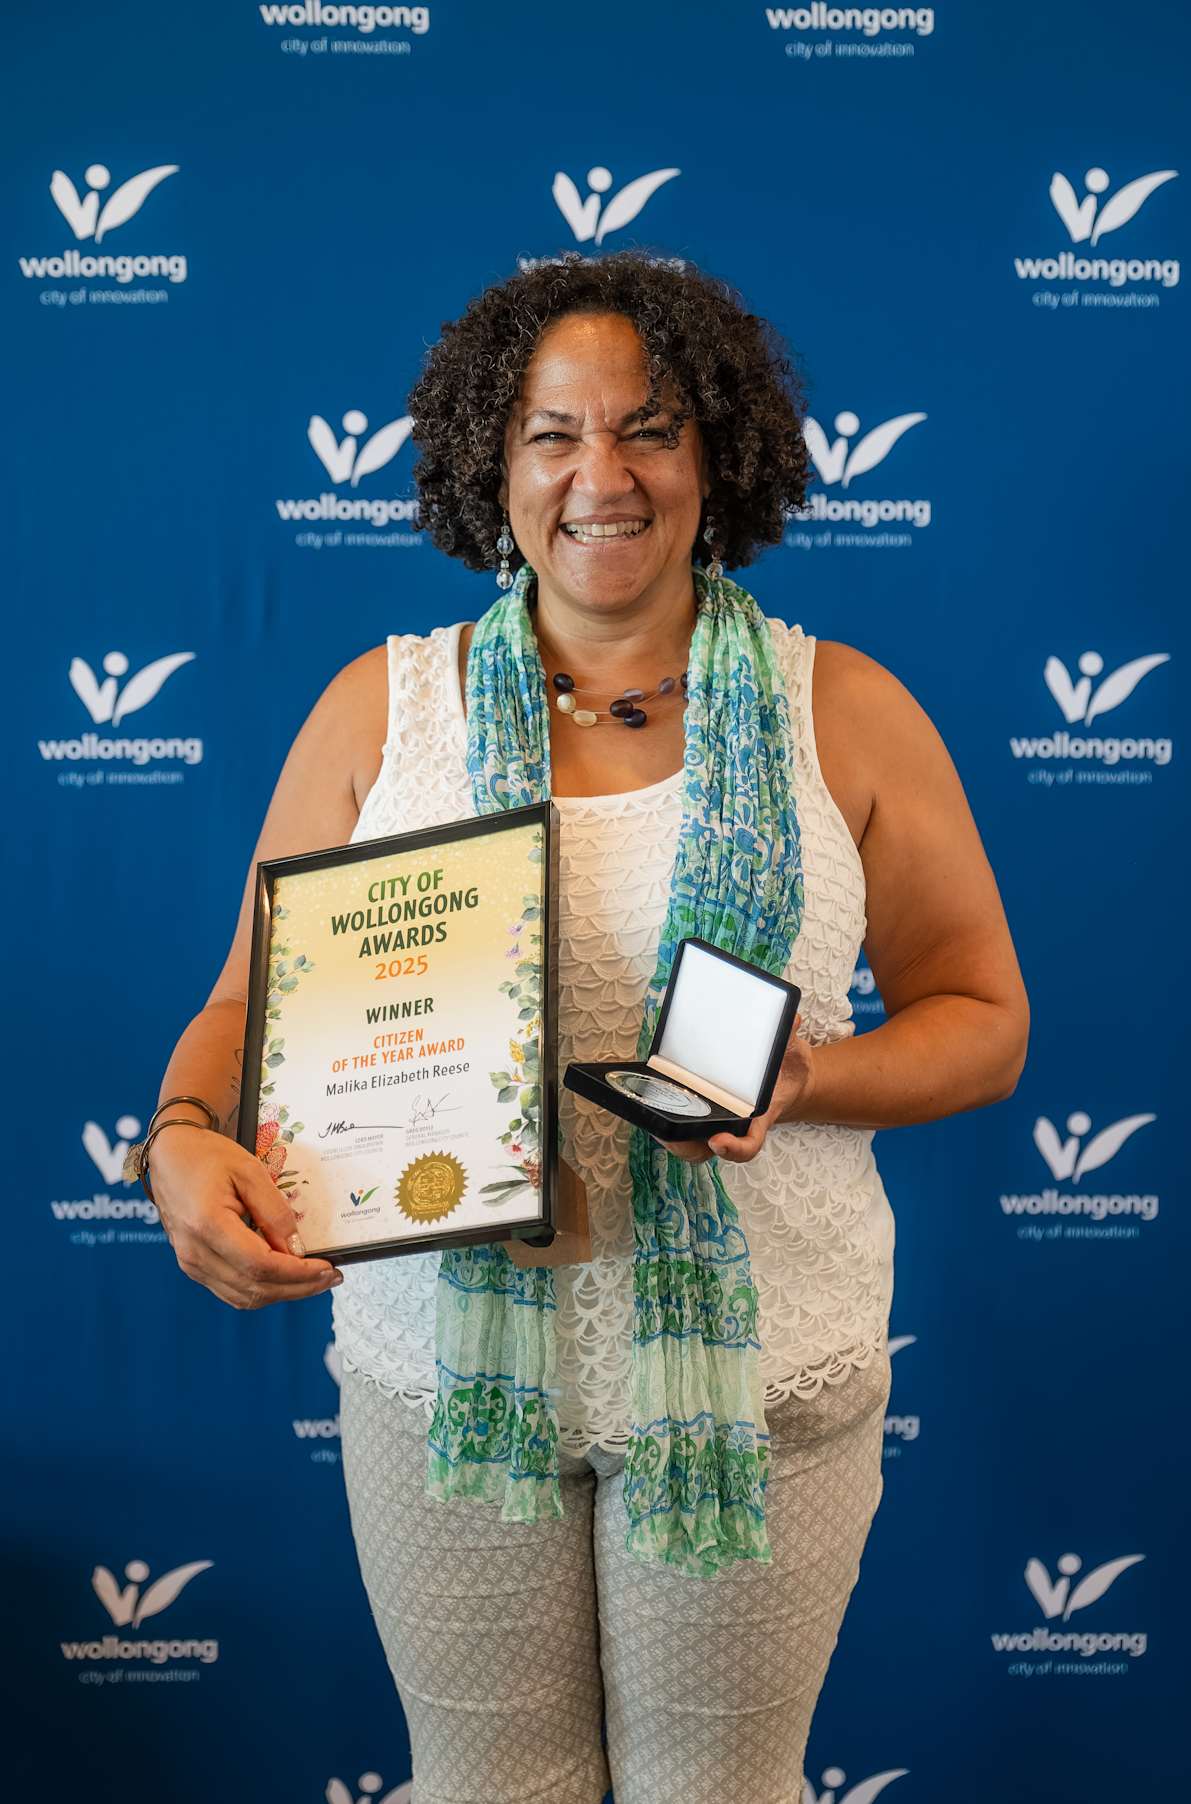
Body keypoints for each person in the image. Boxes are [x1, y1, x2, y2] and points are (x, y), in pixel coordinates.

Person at [142, 251, 1028, 1803]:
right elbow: (245, 1007)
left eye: (651, 428)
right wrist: (179, 1147)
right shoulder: (384, 713)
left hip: (760, 1385)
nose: (599, 477)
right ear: (493, 460)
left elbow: (983, 1019)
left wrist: (809, 1077)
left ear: (722, 453)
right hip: (446, 1374)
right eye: (552, 434)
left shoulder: (847, 711)